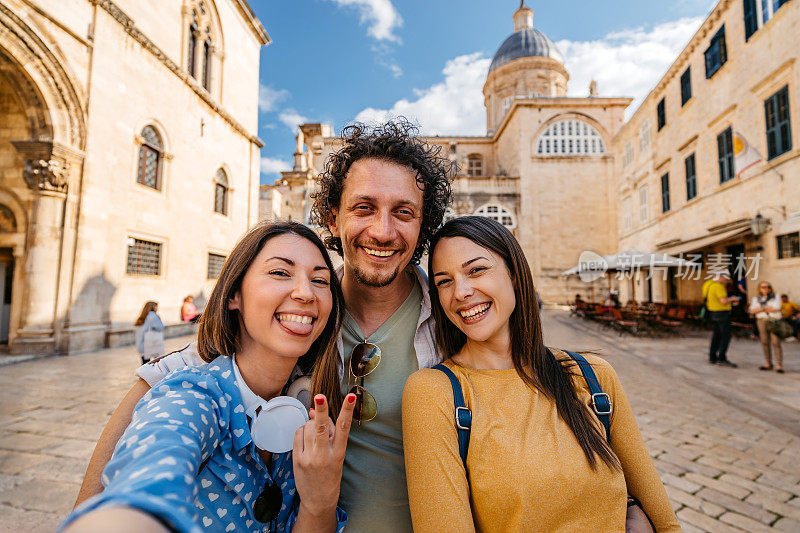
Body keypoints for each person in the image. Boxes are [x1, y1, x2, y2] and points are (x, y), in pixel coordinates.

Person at [74, 119, 454, 532]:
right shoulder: (301, 322)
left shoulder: (452, 317)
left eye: (403, 212)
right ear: (332, 218)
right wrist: (103, 510)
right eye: (363, 207)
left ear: (422, 225)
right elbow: (175, 390)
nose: (382, 231)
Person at [63, 222, 355, 532]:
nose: (306, 292)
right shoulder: (194, 395)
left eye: (320, 280)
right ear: (233, 295)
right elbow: (152, 468)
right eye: (280, 273)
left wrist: (319, 502)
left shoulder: (308, 408)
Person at [402, 216, 679, 531]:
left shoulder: (594, 377)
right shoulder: (434, 392)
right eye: (444, 281)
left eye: (476, 270)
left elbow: (665, 522)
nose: (461, 291)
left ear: (515, 274)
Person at [702, 271, 740, 367]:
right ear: (720, 277)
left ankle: (712, 357)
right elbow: (723, 300)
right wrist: (733, 299)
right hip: (722, 313)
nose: (726, 281)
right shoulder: (718, 286)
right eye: (725, 278)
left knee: (716, 335)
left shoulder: (707, 284)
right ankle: (721, 358)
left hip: (712, 312)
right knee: (725, 336)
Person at [750, 282, 784, 372]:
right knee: (764, 342)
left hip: (774, 321)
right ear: (759, 289)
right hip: (761, 321)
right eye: (764, 287)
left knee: (776, 342)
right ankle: (768, 363)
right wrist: (765, 308)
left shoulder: (776, 297)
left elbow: (776, 308)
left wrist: (760, 309)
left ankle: (779, 364)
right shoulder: (756, 299)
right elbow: (752, 310)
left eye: (768, 287)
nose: (766, 289)